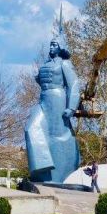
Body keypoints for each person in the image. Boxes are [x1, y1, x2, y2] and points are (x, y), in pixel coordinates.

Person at [24, 35, 80, 184]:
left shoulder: (65, 64)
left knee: (57, 135)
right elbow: (43, 80)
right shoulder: (46, 64)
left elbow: (73, 85)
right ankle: (42, 166)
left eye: (54, 45)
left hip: (57, 99)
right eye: (50, 44)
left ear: (61, 47)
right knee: (31, 128)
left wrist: (71, 107)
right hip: (44, 99)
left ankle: (56, 174)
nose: (51, 47)